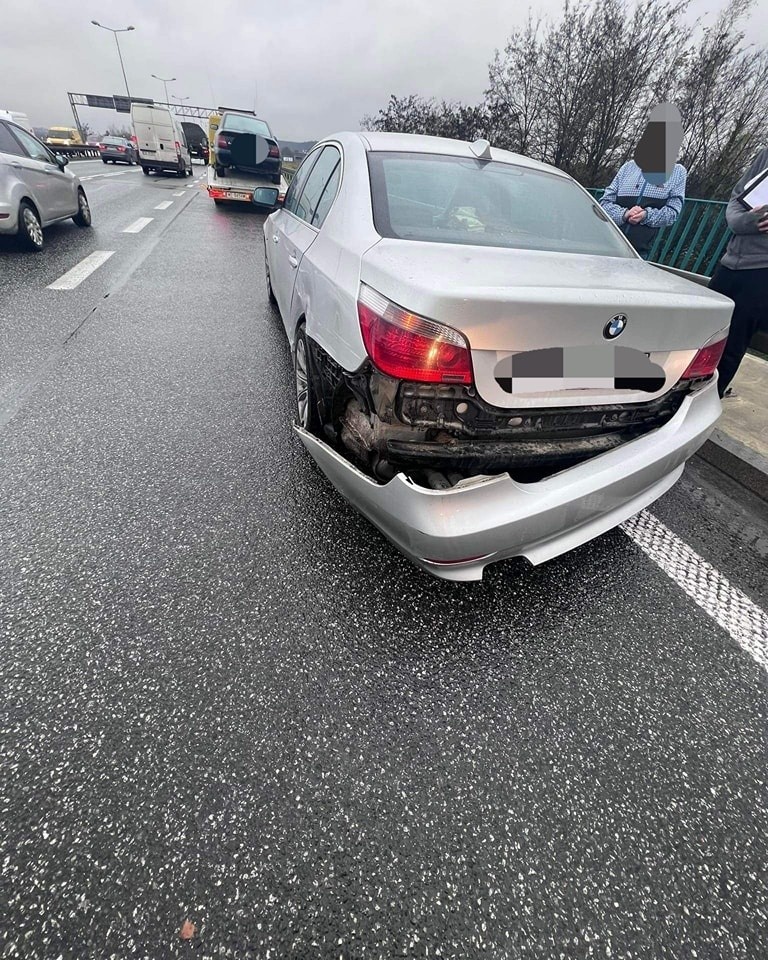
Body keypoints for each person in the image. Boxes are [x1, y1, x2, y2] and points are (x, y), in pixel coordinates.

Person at [708, 147, 768, 398]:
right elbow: (736, 201)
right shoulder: (766, 154)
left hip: (761, 270)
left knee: (732, 346)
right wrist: (747, 222)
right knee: (703, 330)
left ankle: (709, 399)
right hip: (730, 262)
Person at [599, 103, 686, 259]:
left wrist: (646, 215)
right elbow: (604, 203)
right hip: (604, 244)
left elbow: (672, 213)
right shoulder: (628, 167)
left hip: (637, 253)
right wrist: (624, 214)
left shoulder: (677, 172)